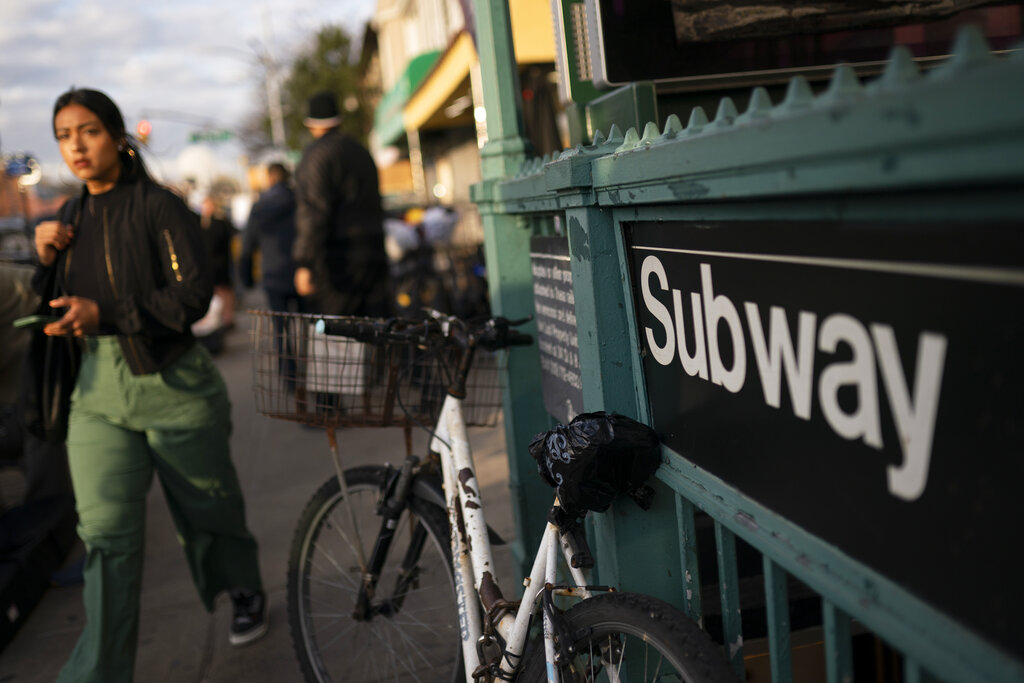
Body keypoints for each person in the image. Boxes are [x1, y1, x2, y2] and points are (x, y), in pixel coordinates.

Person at [32, 87, 266, 682]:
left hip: (174, 385)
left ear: (116, 135)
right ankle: (98, 673)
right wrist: (42, 260)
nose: (75, 146)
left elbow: (191, 298)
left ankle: (243, 588)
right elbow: (56, 306)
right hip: (96, 393)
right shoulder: (67, 217)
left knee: (211, 508)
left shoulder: (161, 207)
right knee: (106, 539)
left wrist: (105, 312)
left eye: (87, 130)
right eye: (64, 136)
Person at [292, 91, 390, 316]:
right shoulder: (361, 152)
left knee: (341, 338)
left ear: (311, 124)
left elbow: (313, 212)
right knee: (378, 330)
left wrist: (304, 263)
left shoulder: (315, 156)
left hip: (338, 263)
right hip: (374, 254)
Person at [238, 162, 300, 313]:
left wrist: (246, 278)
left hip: (272, 273)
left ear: (270, 178)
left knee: (280, 326)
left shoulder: (260, 205)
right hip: (300, 271)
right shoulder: (299, 201)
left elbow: (247, 245)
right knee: (307, 327)